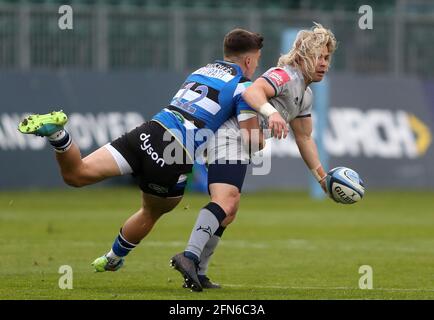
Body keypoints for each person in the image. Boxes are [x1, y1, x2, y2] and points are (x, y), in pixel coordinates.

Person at [17, 29, 285, 291]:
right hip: (174, 149)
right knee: (152, 211)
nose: (256, 66)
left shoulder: (200, 71)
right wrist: (266, 133)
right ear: (249, 60)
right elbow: (250, 137)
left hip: (149, 130)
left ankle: (59, 135)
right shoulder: (244, 87)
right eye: (257, 61)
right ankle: (113, 257)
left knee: (77, 174)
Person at [173, 22, 337, 290]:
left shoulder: (304, 95)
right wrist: (271, 113)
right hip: (228, 135)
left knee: (229, 210)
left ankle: (198, 272)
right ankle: (189, 256)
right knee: (227, 200)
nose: (324, 63)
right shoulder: (284, 75)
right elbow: (252, 91)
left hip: (239, 141)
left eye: (327, 58)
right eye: (319, 56)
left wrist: (322, 178)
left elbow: (305, 137)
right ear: (302, 56)